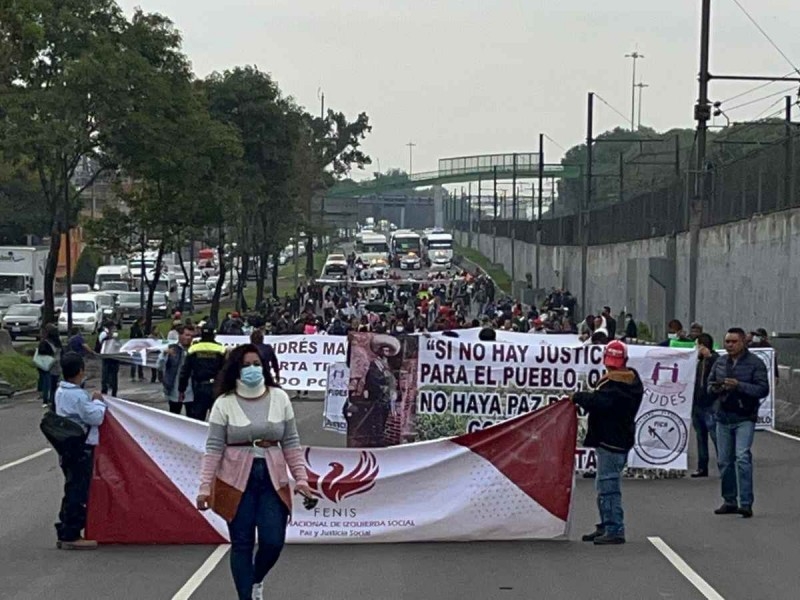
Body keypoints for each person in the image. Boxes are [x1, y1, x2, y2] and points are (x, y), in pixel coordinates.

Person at [196, 344, 311, 600]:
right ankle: (246, 595)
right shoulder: (224, 403)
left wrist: (301, 478)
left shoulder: (279, 398)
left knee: (273, 541)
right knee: (242, 544)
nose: (252, 369)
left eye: (257, 364)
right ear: (236, 369)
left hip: (272, 479)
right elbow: (214, 447)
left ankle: (256, 579)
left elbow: (291, 441)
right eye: (246, 365)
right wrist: (205, 486)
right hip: (235, 482)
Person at [572, 341, 644, 545]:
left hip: (612, 440)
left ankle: (614, 528)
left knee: (608, 486)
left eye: (613, 364)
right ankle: (606, 524)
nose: (610, 368)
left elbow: (600, 401)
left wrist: (578, 397)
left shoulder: (616, 386)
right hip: (614, 438)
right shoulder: (630, 381)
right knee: (603, 484)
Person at [707, 327, 769, 518]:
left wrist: (739, 385)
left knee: (742, 458)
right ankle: (729, 500)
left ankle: (746, 502)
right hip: (723, 416)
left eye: (734, 342)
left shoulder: (755, 364)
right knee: (724, 461)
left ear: (743, 342)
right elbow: (709, 386)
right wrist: (716, 389)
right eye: (727, 342)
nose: (730, 345)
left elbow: (762, 390)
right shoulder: (720, 362)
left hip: (744, 417)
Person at [54, 352, 107, 550]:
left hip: (66, 446)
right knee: (78, 489)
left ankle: (65, 528)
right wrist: (98, 402)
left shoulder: (61, 391)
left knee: (71, 487)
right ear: (80, 371)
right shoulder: (77, 395)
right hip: (79, 447)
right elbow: (95, 418)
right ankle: (72, 533)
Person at [178, 323, 227, 421]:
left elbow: (185, 372)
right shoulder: (221, 349)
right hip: (216, 388)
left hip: (199, 389)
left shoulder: (193, 349)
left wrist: (181, 390)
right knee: (217, 420)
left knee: (197, 420)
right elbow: (225, 371)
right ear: (214, 335)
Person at [158, 326, 202, 418]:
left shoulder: (196, 349)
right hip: (174, 390)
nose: (189, 338)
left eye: (191, 336)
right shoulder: (171, 348)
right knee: (174, 417)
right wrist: (164, 354)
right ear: (180, 336)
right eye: (187, 335)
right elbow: (159, 366)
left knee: (192, 419)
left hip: (191, 391)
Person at [691, 333, 719, 478]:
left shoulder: (715, 360)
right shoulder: (697, 361)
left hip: (710, 405)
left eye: (697, 345)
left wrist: (708, 356)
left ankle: (724, 466)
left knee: (716, 436)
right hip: (696, 405)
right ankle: (702, 467)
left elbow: (719, 370)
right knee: (700, 438)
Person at [36, 324, 62, 409]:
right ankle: (53, 400)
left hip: (46, 364)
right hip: (56, 365)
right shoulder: (58, 343)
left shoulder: (45, 342)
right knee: (54, 384)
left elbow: (41, 352)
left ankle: (46, 400)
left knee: (47, 383)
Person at [98, 322, 121, 397]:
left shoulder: (116, 337)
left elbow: (118, 345)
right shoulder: (104, 335)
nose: (114, 330)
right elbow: (101, 344)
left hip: (114, 358)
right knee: (105, 375)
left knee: (114, 376)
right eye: (113, 328)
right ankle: (104, 391)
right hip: (107, 358)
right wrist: (109, 337)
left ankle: (114, 392)